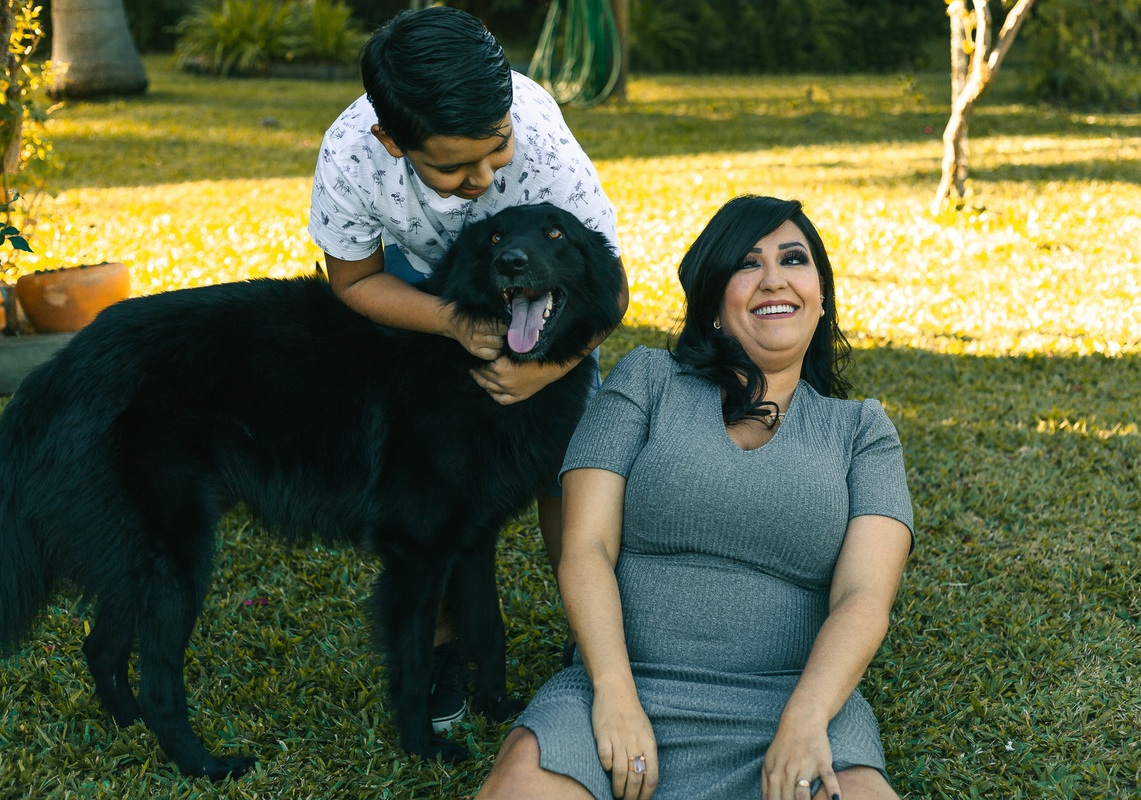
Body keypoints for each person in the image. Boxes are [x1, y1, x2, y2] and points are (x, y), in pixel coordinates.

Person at [475, 195, 914, 800]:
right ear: (712, 300)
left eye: (794, 260)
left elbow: (864, 596)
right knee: (521, 786)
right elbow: (585, 546)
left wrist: (806, 718)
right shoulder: (647, 380)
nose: (774, 279)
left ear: (820, 297)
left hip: (794, 700)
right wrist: (615, 693)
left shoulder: (862, 431)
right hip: (623, 686)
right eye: (747, 264)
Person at [307, 6, 627, 733]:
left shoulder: (540, 142)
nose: (483, 177)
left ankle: (592, 629)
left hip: (547, 292)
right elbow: (353, 282)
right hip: (420, 286)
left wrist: (546, 374)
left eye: (496, 151)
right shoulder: (352, 154)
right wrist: (453, 322)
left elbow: (608, 292)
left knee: (570, 467)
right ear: (392, 141)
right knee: (437, 476)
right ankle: (445, 641)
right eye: (453, 166)